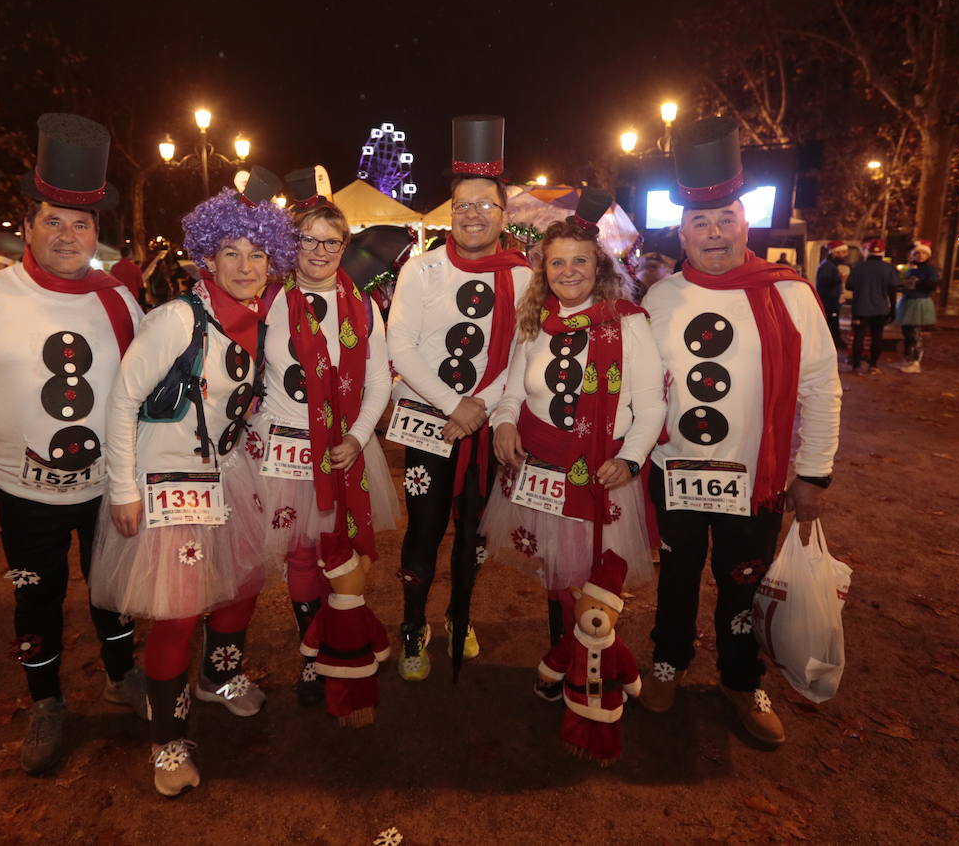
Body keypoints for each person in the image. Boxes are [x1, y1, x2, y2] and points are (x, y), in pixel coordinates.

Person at [0, 113, 148, 776]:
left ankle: (120, 673)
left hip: (107, 489)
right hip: (23, 495)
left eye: (80, 223)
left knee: (113, 591)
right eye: (53, 220)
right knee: (37, 599)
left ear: (96, 232)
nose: (67, 235)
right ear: (27, 226)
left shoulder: (119, 301)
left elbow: (139, 399)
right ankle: (46, 701)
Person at [88, 168, 296, 798]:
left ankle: (220, 677)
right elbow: (122, 401)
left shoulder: (260, 318)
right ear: (207, 256)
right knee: (177, 612)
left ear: (272, 260)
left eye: (257, 253)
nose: (244, 265)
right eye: (230, 253)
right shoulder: (176, 320)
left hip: (228, 473)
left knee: (239, 585)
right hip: (167, 478)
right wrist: (123, 488)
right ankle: (168, 743)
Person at [635, 118, 841, 747]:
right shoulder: (659, 298)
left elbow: (821, 388)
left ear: (745, 222)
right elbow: (637, 389)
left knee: (741, 582)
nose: (715, 233)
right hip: (675, 474)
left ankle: (739, 677)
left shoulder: (790, 295)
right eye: (701, 223)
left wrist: (813, 473)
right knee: (675, 580)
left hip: (755, 481)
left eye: (726, 219)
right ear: (682, 231)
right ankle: (667, 663)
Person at [481, 190, 665, 701]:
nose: (568, 271)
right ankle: (570, 654)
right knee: (559, 574)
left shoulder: (626, 321)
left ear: (597, 265)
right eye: (557, 262)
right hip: (543, 466)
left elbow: (651, 405)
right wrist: (502, 424)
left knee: (596, 582)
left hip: (604, 470)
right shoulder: (535, 323)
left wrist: (630, 460)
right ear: (544, 271)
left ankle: (584, 663)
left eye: (579, 261)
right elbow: (512, 391)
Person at [386, 115, 531, 682]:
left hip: (486, 425)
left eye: (484, 206)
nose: (472, 215)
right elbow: (401, 343)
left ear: (502, 213)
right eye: (461, 206)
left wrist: (482, 410)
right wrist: (454, 405)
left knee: (474, 534)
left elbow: (522, 352)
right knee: (423, 531)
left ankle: (459, 614)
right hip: (429, 425)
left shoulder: (523, 278)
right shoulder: (421, 270)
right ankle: (413, 623)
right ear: (449, 214)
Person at [251, 167, 399, 707]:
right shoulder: (267, 301)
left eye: (331, 241)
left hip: (343, 448)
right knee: (299, 554)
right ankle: (312, 650)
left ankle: (340, 641)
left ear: (344, 246)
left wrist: (359, 437)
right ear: (293, 243)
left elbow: (380, 379)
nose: (320, 250)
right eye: (309, 239)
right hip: (283, 447)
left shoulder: (361, 305)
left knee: (336, 552)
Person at [845, 239, 900, 375]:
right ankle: (873, 365)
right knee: (877, 336)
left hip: (860, 309)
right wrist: (893, 310)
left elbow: (849, 286)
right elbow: (892, 290)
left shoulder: (858, 267)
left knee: (859, 337)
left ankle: (857, 366)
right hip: (880, 309)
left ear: (866, 252)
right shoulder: (888, 268)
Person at [896, 241, 939, 374]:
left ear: (928, 255)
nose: (920, 256)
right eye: (917, 253)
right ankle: (908, 359)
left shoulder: (929, 269)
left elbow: (933, 285)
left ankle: (915, 361)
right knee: (907, 332)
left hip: (919, 302)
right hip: (908, 301)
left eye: (923, 253)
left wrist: (919, 282)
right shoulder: (911, 269)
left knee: (914, 334)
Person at [815, 241, 849, 351]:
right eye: (843, 252)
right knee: (831, 325)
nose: (846, 255)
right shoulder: (827, 266)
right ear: (835, 253)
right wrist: (839, 280)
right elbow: (824, 282)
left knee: (832, 324)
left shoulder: (829, 265)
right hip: (829, 304)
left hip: (830, 303)